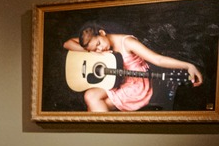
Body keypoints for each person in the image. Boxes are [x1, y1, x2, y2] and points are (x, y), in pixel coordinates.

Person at [63, 23, 203, 112]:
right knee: (92, 100)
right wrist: (92, 52)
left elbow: (157, 59)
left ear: (102, 33)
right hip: (114, 82)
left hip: (135, 85)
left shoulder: (127, 42)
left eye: (99, 44)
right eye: (95, 49)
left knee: (91, 99)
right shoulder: (95, 45)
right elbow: (67, 44)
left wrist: (188, 66)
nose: (100, 49)